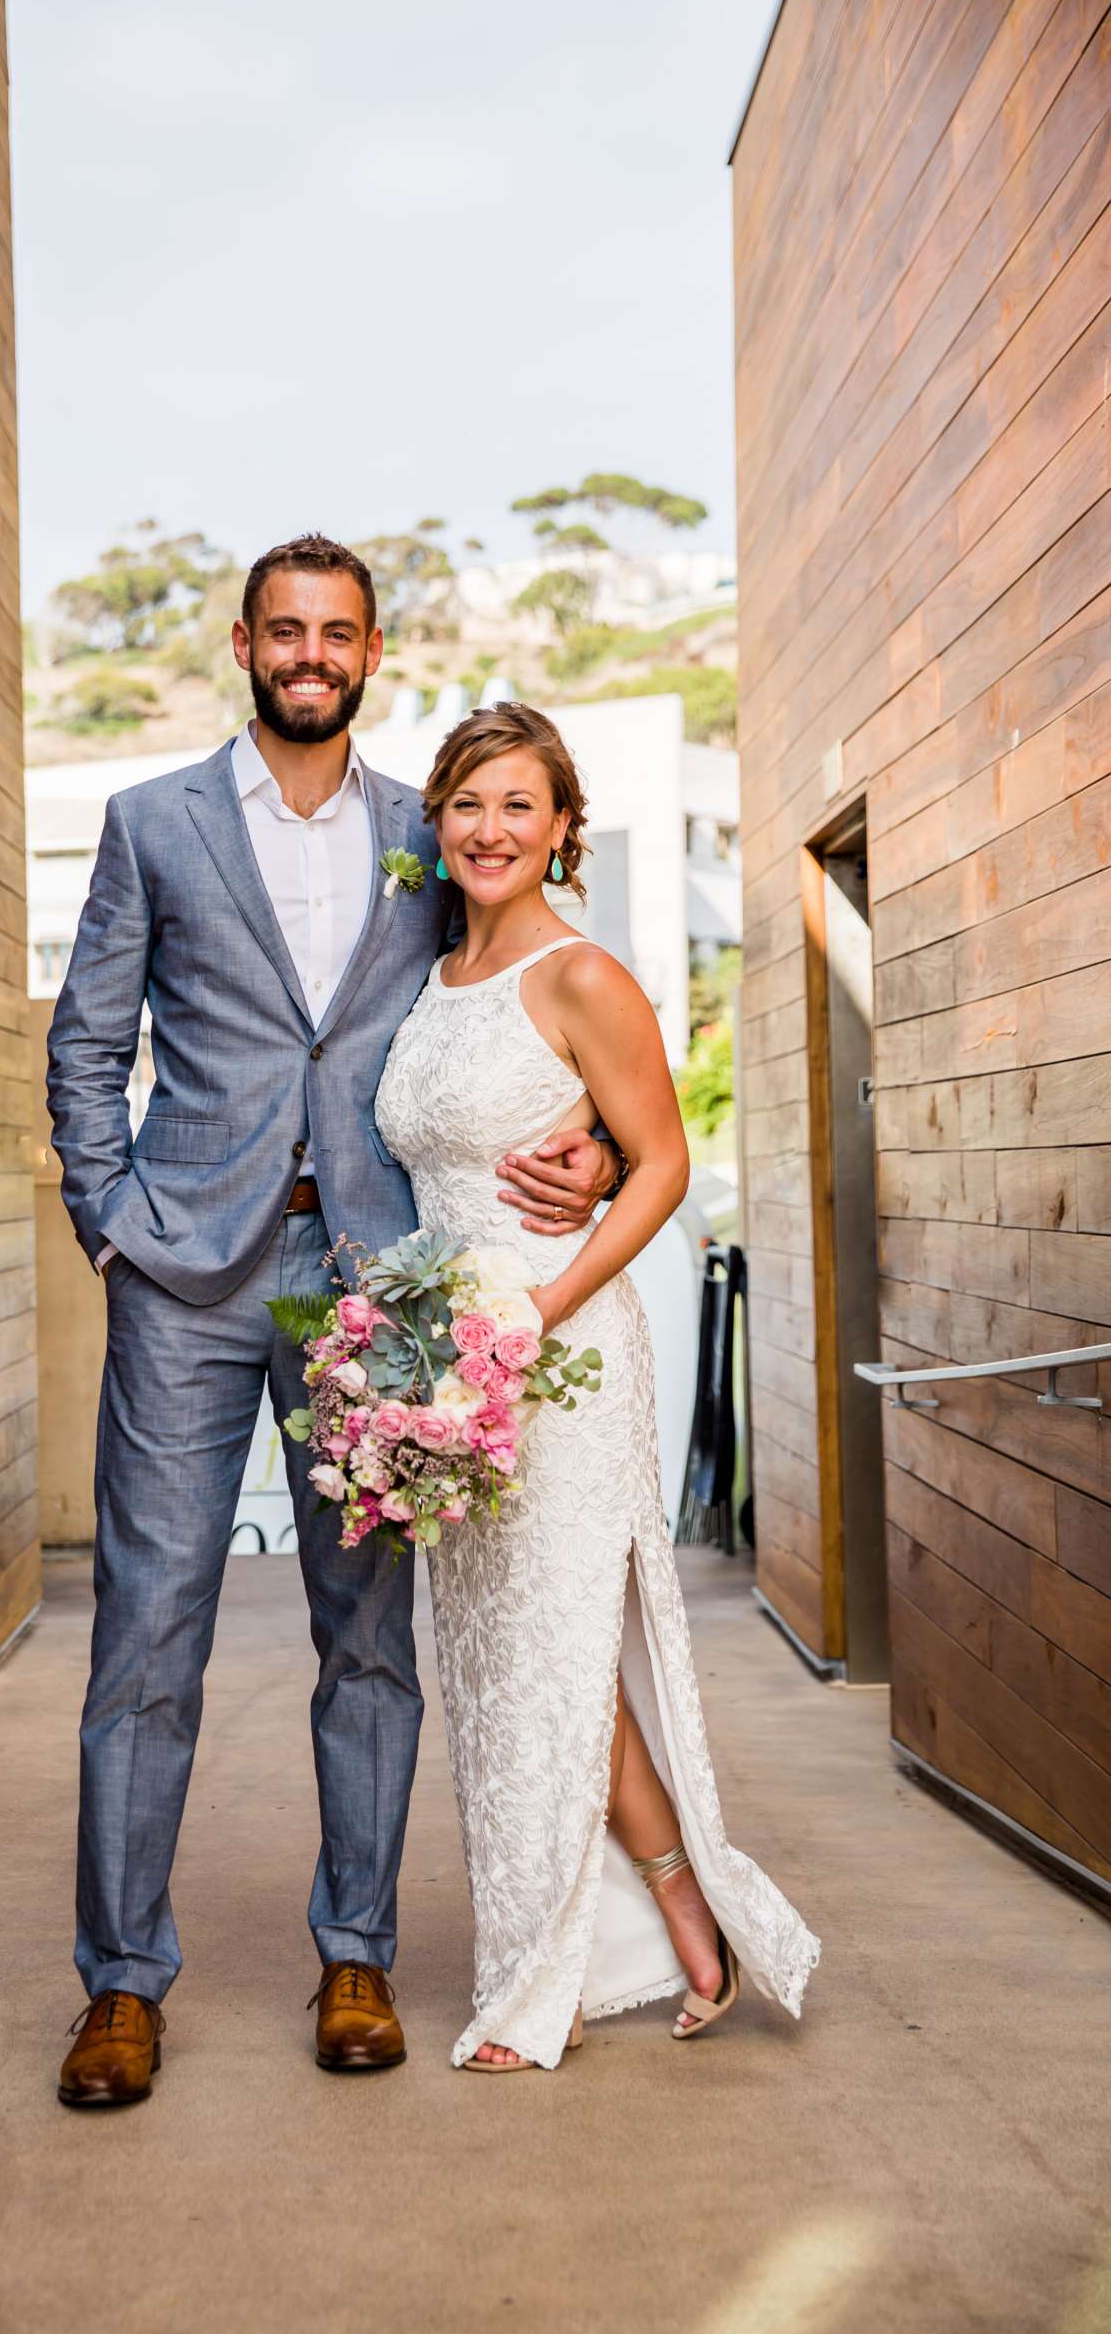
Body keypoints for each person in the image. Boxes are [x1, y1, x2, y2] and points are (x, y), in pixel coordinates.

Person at [45, 537, 621, 2106]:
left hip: (380, 1283)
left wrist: (604, 1143)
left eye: (339, 632)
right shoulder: (149, 823)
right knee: (146, 1634)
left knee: (366, 1635)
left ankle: (355, 1952)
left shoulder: (421, 837)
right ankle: (119, 1985)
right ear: (245, 643)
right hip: (187, 1279)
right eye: (286, 630)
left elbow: (527, 990)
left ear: (373, 651)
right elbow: (86, 1044)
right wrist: (114, 1228)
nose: (312, 652)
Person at [375, 702, 820, 2069]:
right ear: (438, 827)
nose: (490, 828)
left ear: (563, 827)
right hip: (445, 1352)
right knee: (506, 1662)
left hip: (556, 1350)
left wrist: (542, 1304)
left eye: (520, 804)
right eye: (467, 803)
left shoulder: (582, 975)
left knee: (559, 1647)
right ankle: (680, 1920)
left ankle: (542, 1979)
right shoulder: (435, 975)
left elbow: (665, 1162)